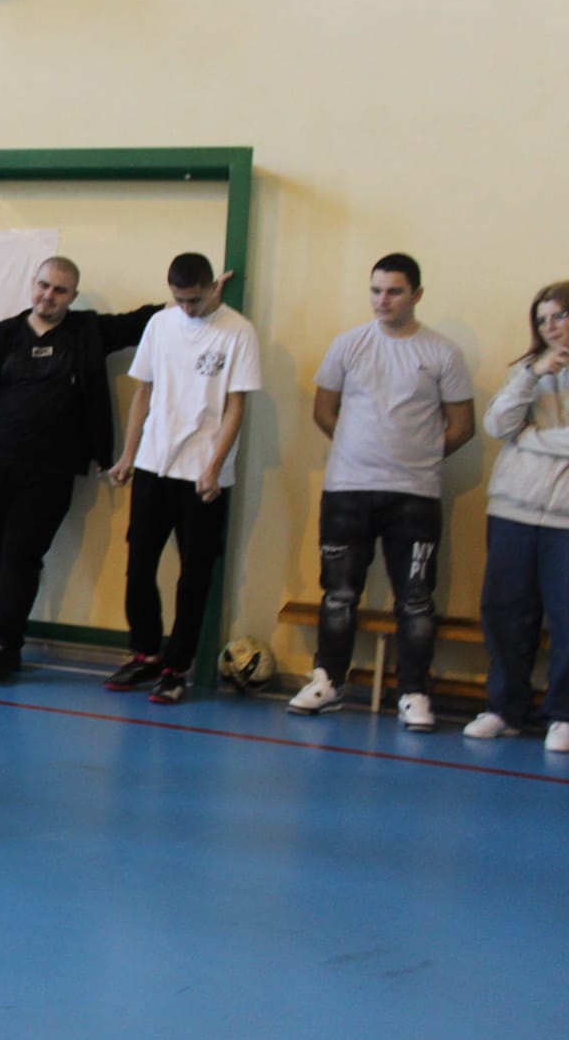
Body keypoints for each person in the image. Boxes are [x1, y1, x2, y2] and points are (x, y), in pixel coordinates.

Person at [0, 256, 159, 683]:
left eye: (60, 290)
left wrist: (201, 297)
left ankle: (3, 646)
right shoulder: (2, 334)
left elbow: (144, 321)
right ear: (33, 284)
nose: (49, 295)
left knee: (22, 556)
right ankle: (3, 642)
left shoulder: (88, 332)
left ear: (73, 296)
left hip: (50, 470)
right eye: (44, 285)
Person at [287, 255, 474, 727]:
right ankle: (328, 681)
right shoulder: (348, 345)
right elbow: (324, 411)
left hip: (415, 495)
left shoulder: (443, 353)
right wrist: (359, 451)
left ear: (416, 295)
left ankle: (414, 693)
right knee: (339, 594)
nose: (382, 300)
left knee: (415, 599)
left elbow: (462, 425)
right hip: (347, 491)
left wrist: (417, 457)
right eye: (376, 290)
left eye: (393, 291)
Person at [103, 252, 261, 705]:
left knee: (194, 576)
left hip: (202, 474)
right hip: (153, 465)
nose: (188, 309)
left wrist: (213, 467)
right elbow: (144, 392)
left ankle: (176, 668)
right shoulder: (161, 324)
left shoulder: (238, 331)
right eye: (180, 299)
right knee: (139, 566)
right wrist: (129, 454)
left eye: (195, 300)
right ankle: (147, 654)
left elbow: (235, 407)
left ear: (212, 287)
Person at [464, 282, 569, 752]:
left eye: (560, 316)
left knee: (565, 617)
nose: (551, 327)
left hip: (565, 520)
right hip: (513, 510)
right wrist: (531, 375)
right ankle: (505, 709)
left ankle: (563, 714)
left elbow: (521, 435)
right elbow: (497, 425)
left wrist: (529, 439)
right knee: (505, 612)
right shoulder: (527, 371)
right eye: (543, 319)